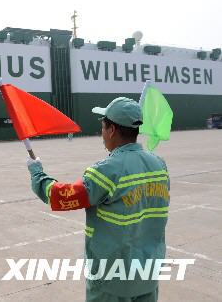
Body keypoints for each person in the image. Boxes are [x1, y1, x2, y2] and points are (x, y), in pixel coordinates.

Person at [27, 97, 169, 302]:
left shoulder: (107, 170)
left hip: (112, 279)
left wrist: (38, 174)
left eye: (103, 127)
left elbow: (61, 196)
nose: (102, 134)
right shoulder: (159, 164)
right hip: (148, 273)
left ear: (111, 130)